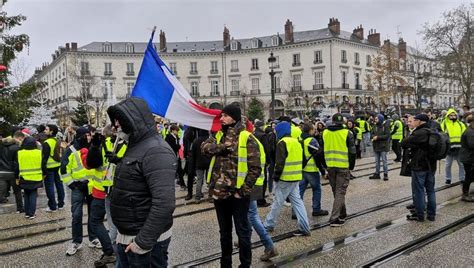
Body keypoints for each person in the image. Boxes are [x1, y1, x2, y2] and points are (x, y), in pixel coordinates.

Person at [107, 98, 176, 267]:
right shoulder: (135, 145)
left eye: (119, 120)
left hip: (145, 243)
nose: (116, 125)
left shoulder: (156, 150)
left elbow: (164, 203)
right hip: (128, 236)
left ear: (133, 119)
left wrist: (142, 243)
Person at [202, 104, 260, 267]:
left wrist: (242, 191)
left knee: (242, 232)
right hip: (219, 193)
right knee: (224, 233)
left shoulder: (246, 137)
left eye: (225, 116)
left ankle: (245, 264)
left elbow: (255, 168)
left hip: (238, 194)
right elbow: (204, 148)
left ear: (234, 118)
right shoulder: (219, 135)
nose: (221, 118)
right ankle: (225, 264)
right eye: (221, 115)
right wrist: (223, 148)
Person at [263, 121, 311, 236]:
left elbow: (280, 163)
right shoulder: (297, 142)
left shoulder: (282, 143)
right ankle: (305, 227)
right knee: (298, 202)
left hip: (285, 178)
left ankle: (268, 224)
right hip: (296, 177)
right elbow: (304, 160)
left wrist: (276, 177)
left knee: (277, 202)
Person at [61, 127, 100, 256]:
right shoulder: (71, 150)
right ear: (82, 136)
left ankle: (93, 238)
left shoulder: (93, 147)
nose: (90, 137)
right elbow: (63, 170)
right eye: (88, 135)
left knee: (92, 214)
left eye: (90, 135)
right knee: (76, 215)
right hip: (77, 187)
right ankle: (76, 242)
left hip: (92, 186)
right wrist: (72, 185)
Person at [86, 132, 117, 267]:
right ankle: (115, 250)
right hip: (116, 189)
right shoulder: (120, 143)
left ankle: (110, 252)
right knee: (114, 222)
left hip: (101, 190)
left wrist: (94, 146)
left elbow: (91, 164)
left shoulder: (103, 144)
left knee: (95, 222)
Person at [322, 113, 356, 227]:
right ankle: (334, 218)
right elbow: (352, 152)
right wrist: (351, 167)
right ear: (343, 123)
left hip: (330, 166)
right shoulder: (347, 133)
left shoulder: (325, 133)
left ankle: (342, 213)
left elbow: (321, 150)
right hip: (342, 166)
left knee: (336, 191)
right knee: (340, 191)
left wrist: (324, 166)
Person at [401, 114, 436, 222]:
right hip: (431, 166)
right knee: (430, 191)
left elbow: (404, 143)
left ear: (420, 121)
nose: (413, 121)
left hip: (419, 166)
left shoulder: (419, 132)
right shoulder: (433, 130)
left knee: (419, 191)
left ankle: (419, 215)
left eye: (415, 120)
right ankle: (431, 215)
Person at [293, 123, 328, 218]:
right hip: (311, 169)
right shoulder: (311, 140)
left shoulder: (299, 139)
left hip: (302, 168)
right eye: (314, 129)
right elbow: (319, 155)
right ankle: (316, 209)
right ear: (310, 130)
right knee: (316, 189)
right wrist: (324, 169)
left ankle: (296, 212)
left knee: (300, 190)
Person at [15, 136, 45, 219]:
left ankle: (27, 213)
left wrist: (16, 177)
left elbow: (16, 167)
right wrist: (44, 174)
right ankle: (32, 213)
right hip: (36, 177)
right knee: (33, 194)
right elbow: (43, 165)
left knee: (26, 194)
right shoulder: (38, 152)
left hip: (24, 177)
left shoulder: (20, 153)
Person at [42, 124, 66, 212]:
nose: (45, 131)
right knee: (59, 185)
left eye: (46, 129)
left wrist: (43, 170)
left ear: (51, 131)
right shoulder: (57, 141)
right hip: (58, 166)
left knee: (50, 187)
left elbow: (44, 158)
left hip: (49, 168)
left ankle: (52, 206)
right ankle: (61, 204)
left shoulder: (46, 143)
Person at [0, 131, 24, 212]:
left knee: (1, 191)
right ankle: (20, 208)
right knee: (17, 191)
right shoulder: (17, 147)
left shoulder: (1, 146)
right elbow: (17, 162)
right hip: (12, 172)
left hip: (2, 172)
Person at [441, 108, 466, 184]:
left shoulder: (460, 124)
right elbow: (441, 135)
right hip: (449, 148)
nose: (452, 116)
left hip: (459, 147)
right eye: (451, 115)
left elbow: (465, 134)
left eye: (454, 115)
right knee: (448, 165)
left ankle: (462, 178)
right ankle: (448, 179)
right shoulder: (444, 124)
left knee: (461, 164)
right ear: (448, 116)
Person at [253, 120, 271, 207]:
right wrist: (268, 161)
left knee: (256, 180)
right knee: (263, 181)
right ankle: (261, 200)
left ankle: (255, 199)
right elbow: (267, 149)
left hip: (254, 160)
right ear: (261, 127)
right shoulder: (263, 135)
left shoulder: (252, 134)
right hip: (262, 161)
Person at [190, 129, 210, 203]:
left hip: (199, 163)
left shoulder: (195, 141)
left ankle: (197, 197)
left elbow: (193, 154)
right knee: (209, 180)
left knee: (199, 180)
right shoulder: (210, 141)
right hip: (208, 163)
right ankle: (210, 196)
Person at [369, 114, 391, 181]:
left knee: (384, 161)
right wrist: (373, 136)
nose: (375, 120)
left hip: (383, 146)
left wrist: (378, 137)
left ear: (380, 119)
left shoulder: (385, 126)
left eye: (376, 119)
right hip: (376, 146)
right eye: (375, 119)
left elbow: (387, 136)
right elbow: (371, 134)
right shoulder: (374, 126)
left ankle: (385, 174)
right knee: (377, 161)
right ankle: (377, 174)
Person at [165, 124, 186, 191]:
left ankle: (182, 185)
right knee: (172, 172)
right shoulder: (168, 137)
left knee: (180, 171)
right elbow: (172, 146)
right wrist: (178, 146)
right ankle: (171, 186)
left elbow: (177, 145)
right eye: (176, 131)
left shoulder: (176, 136)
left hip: (177, 156)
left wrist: (178, 146)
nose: (177, 132)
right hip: (171, 156)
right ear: (173, 130)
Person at [459, 114, 474, 202]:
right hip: (469, 158)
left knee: (471, 175)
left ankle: (465, 193)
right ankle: (465, 194)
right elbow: (472, 145)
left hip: (469, 157)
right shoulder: (470, 132)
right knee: (469, 176)